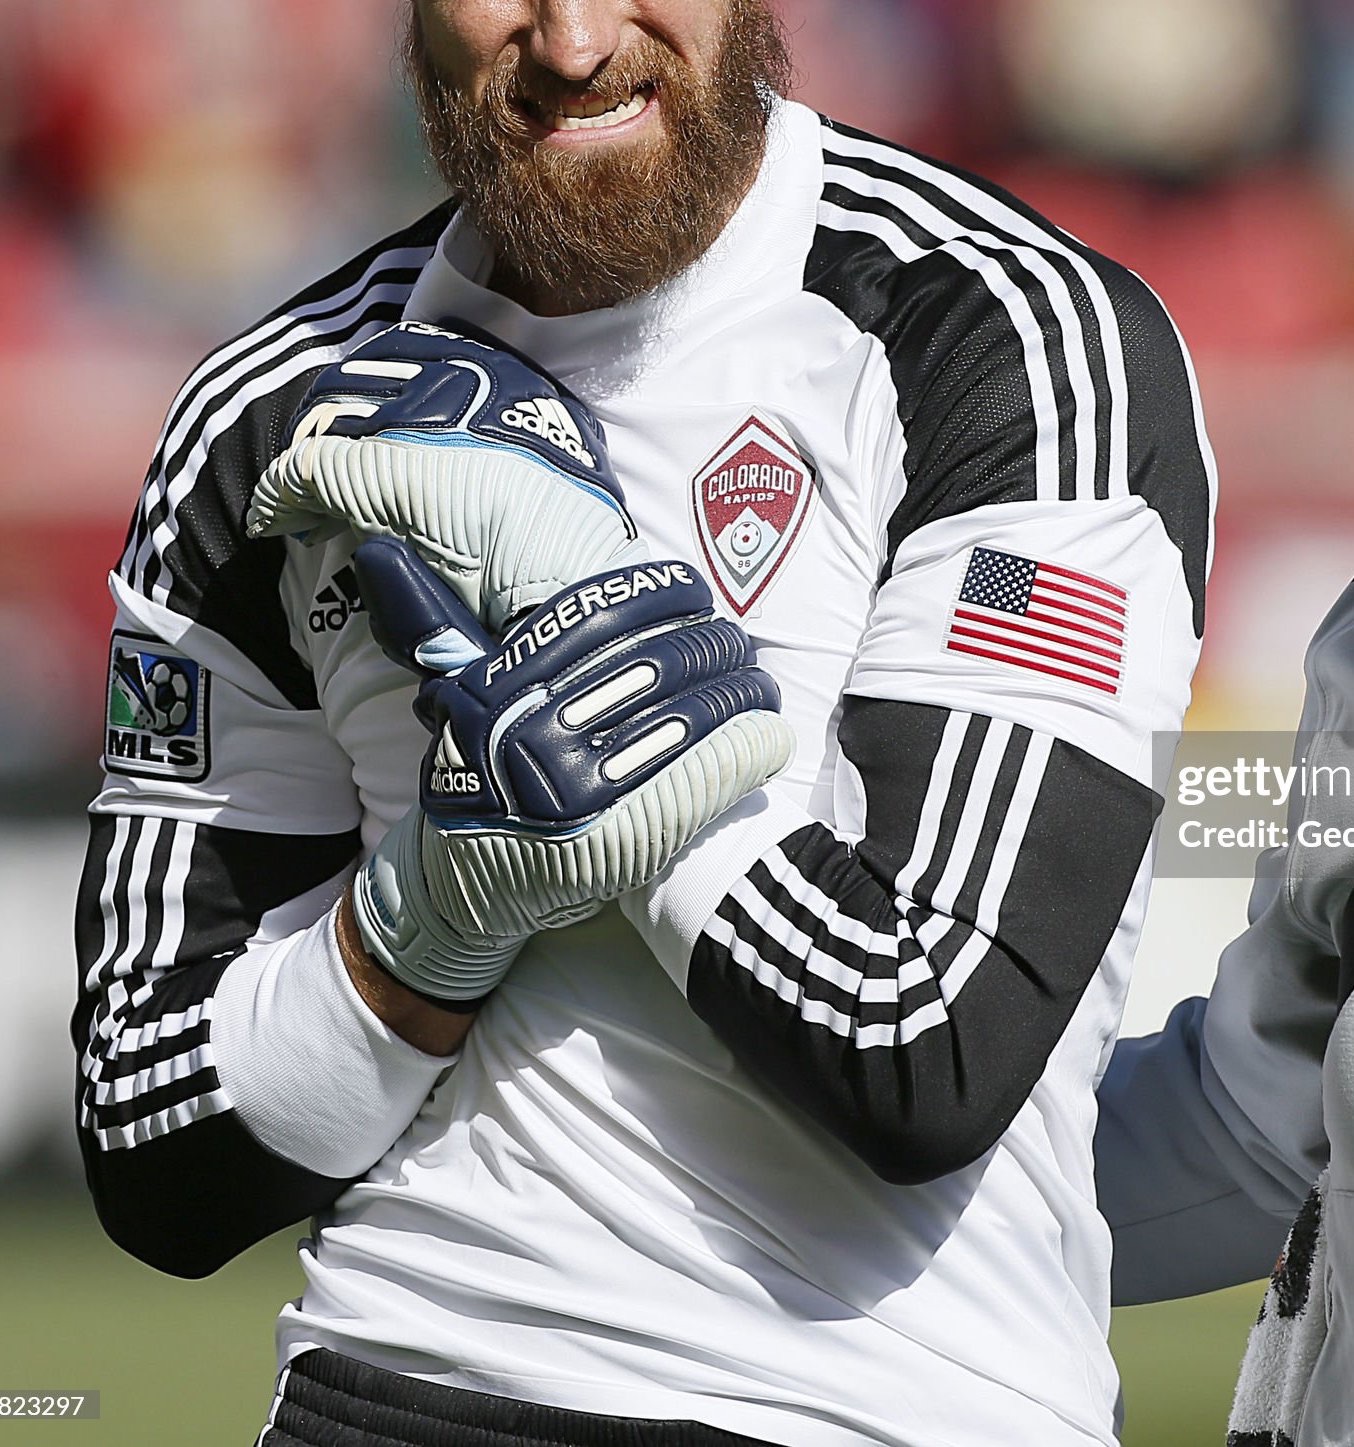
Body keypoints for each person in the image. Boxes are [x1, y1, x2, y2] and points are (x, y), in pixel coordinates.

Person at [72, 2, 1241, 1443]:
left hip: (876, 1416)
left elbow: (925, 1046)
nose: (570, 42)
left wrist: (573, 606)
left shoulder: (1006, 336)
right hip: (391, 1387)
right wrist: (424, 921)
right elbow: (151, 1152)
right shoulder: (276, 417)